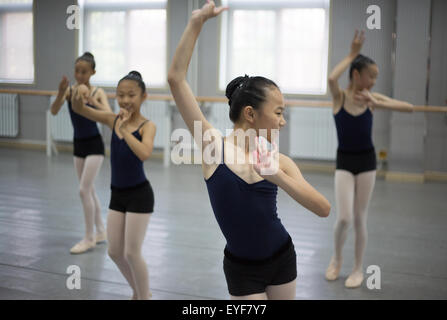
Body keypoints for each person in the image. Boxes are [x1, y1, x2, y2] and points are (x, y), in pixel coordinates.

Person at [168, 0, 330, 300]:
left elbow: (323, 208)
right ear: (251, 114)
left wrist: (277, 176)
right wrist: (197, 23)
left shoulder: (281, 162)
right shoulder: (213, 148)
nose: (283, 121)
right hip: (243, 269)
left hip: (283, 257)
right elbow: (176, 80)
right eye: (278, 112)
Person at [325, 30, 413, 288]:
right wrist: (351, 54)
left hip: (366, 163)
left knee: (360, 217)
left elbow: (408, 108)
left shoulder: (372, 99)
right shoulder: (339, 97)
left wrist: (376, 102)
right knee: (344, 218)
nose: (374, 80)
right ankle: (336, 259)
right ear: (356, 74)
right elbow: (331, 77)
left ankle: (357, 268)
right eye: (372, 76)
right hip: (344, 161)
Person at [71, 71, 156, 300]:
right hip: (117, 195)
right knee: (114, 251)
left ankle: (143, 296)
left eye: (131, 95)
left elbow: (144, 153)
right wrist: (79, 93)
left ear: (143, 96)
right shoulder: (112, 118)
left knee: (132, 252)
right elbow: (80, 110)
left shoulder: (148, 126)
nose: (126, 100)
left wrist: (127, 130)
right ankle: (139, 291)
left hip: (140, 195)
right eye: (120, 95)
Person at [50, 52, 110, 254]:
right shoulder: (71, 90)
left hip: (95, 146)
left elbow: (109, 116)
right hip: (79, 146)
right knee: (89, 189)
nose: (80, 75)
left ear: (93, 72)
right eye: (77, 71)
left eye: (84, 71)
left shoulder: (98, 92)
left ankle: (89, 238)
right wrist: (60, 92)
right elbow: (54, 110)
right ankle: (101, 230)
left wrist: (93, 102)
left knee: (83, 190)